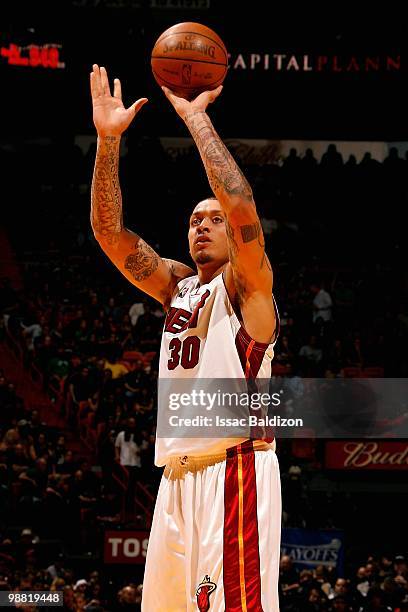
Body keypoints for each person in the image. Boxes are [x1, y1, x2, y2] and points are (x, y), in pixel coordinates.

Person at [90, 64, 281, 610]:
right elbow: (109, 234)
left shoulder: (249, 288)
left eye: (213, 220)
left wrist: (196, 120)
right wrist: (108, 143)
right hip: (176, 476)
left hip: (234, 470)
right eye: (194, 220)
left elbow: (242, 205)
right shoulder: (177, 287)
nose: (200, 225)